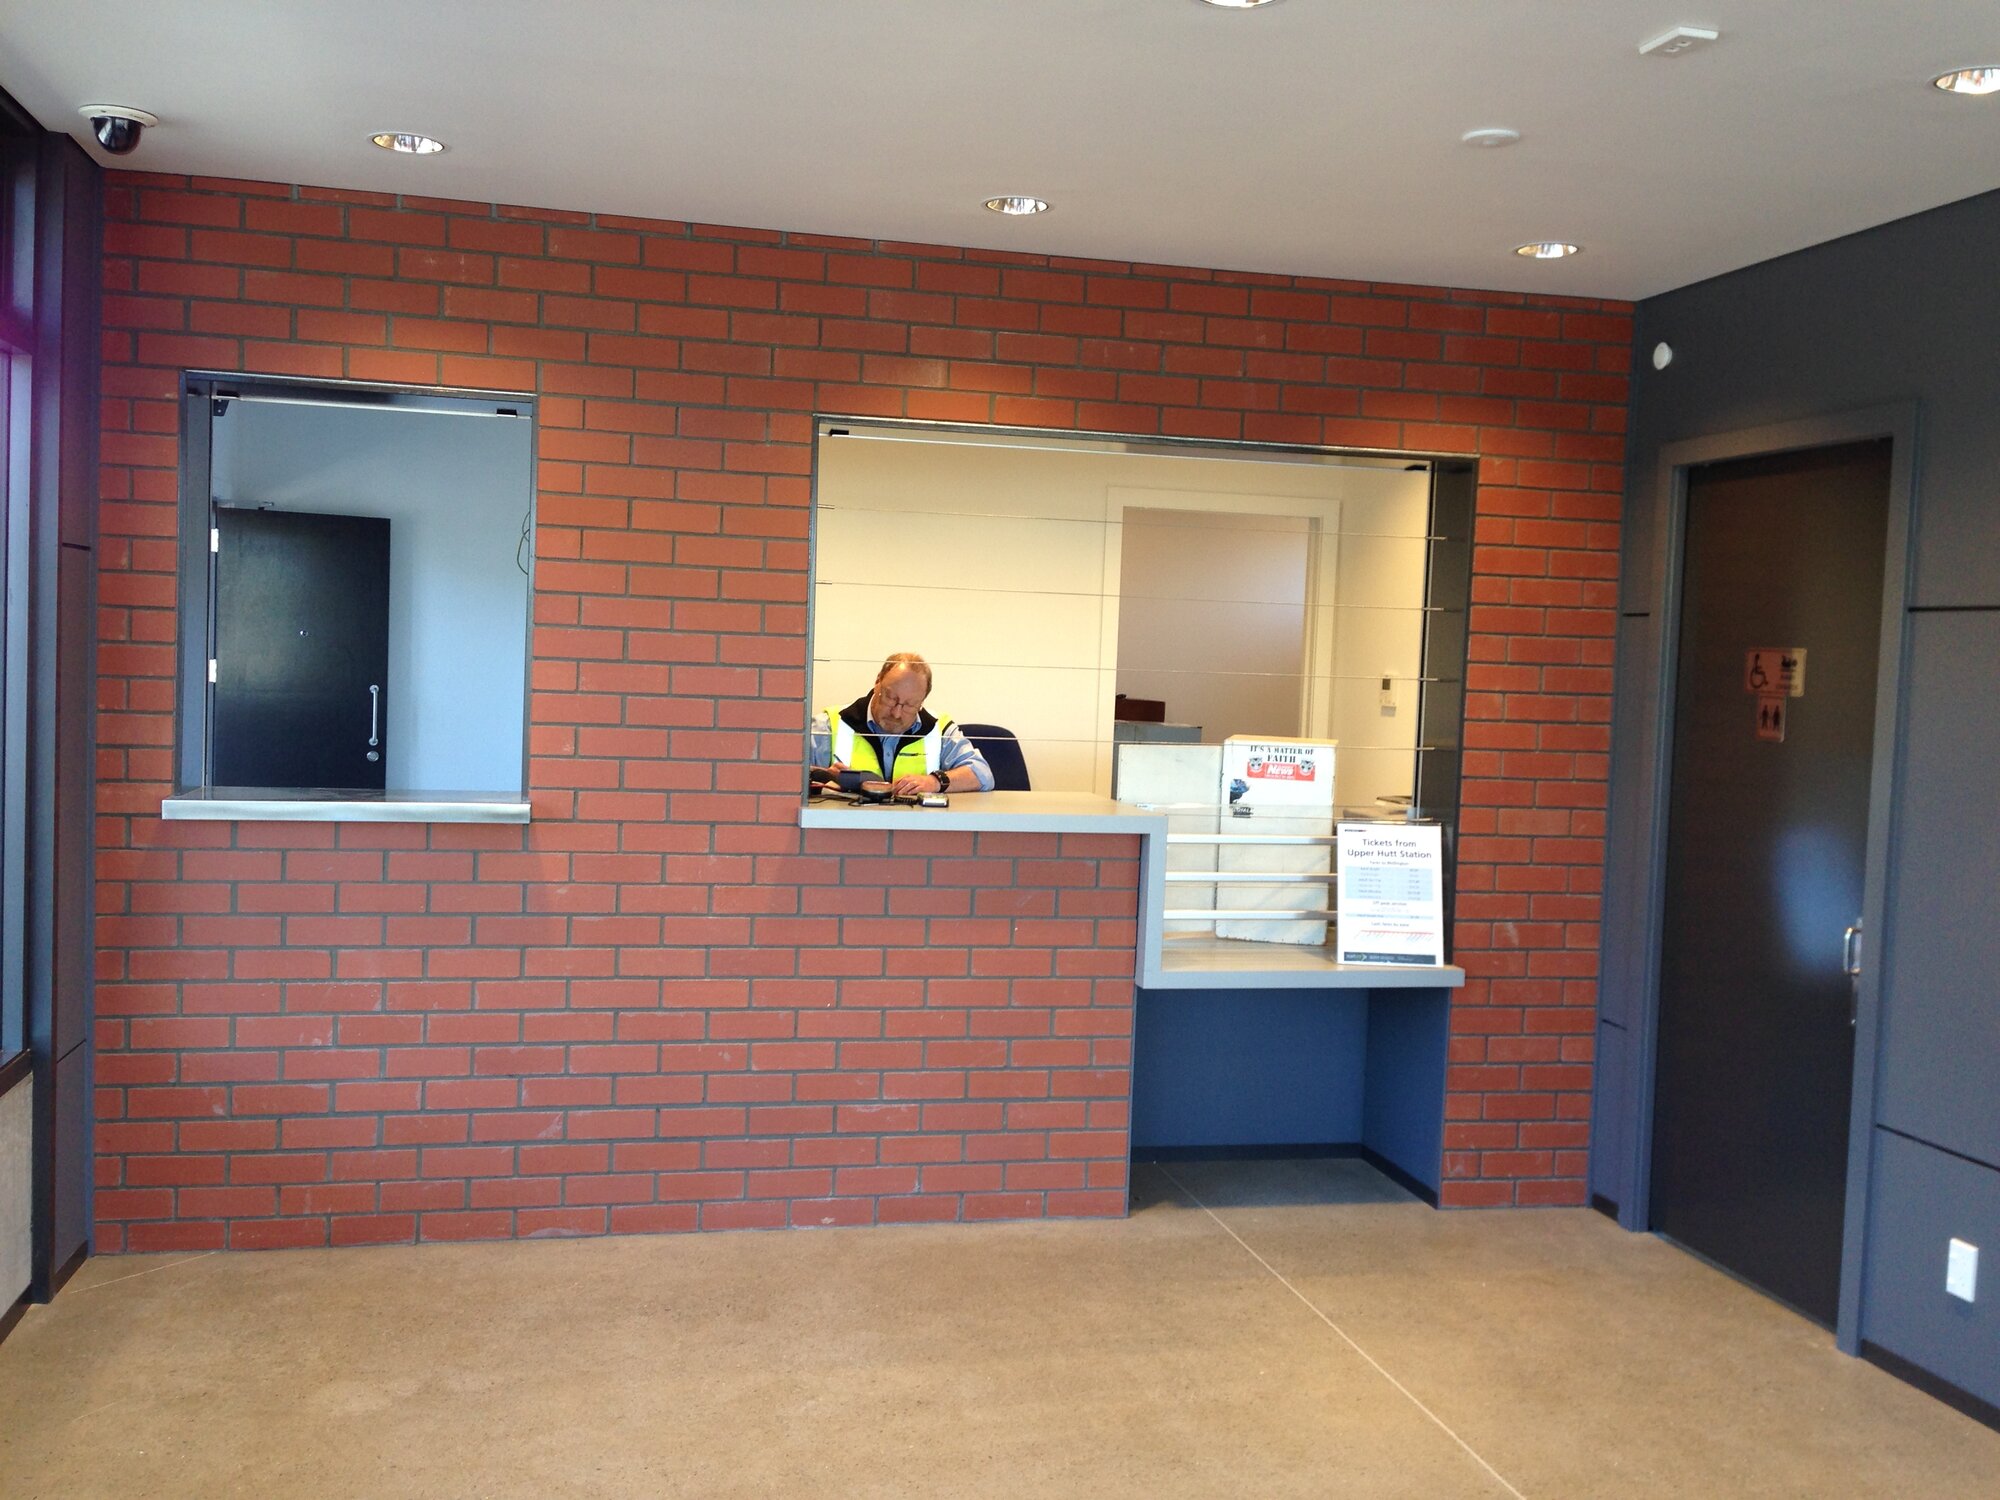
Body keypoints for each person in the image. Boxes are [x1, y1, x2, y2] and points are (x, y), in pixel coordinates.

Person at [810, 652, 994, 796]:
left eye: (909, 705)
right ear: (877, 682)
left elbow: (982, 774)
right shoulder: (830, 723)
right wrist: (824, 775)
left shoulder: (939, 728)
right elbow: (794, 773)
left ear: (922, 701)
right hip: (845, 828)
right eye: (891, 698)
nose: (896, 713)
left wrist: (934, 782)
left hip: (917, 830)